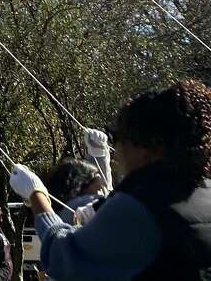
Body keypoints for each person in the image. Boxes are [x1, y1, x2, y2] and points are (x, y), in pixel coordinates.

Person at [12, 79, 211, 279]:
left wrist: (36, 194)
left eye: (119, 137)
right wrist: (100, 159)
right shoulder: (204, 193)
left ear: (146, 146)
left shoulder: (137, 208)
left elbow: (64, 256)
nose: (117, 152)